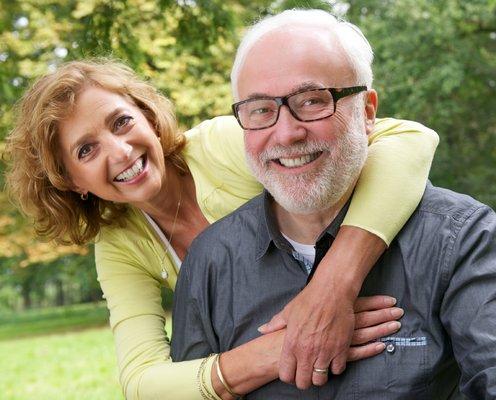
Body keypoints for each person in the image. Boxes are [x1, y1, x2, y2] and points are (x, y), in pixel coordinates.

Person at [5, 55, 437, 399]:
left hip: (387, 329)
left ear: (149, 119)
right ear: (70, 182)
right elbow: (141, 381)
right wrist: (283, 348)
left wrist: (332, 286)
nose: (120, 152)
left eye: (122, 122)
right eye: (86, 150)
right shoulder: (119, 246)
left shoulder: (221, 145)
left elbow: (410, 139)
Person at [171, 9, 496, 400]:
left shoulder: (463, 240)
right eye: (260, 110)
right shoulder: (211, 260)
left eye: (312, 101)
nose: (287, 133)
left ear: (368, 113)